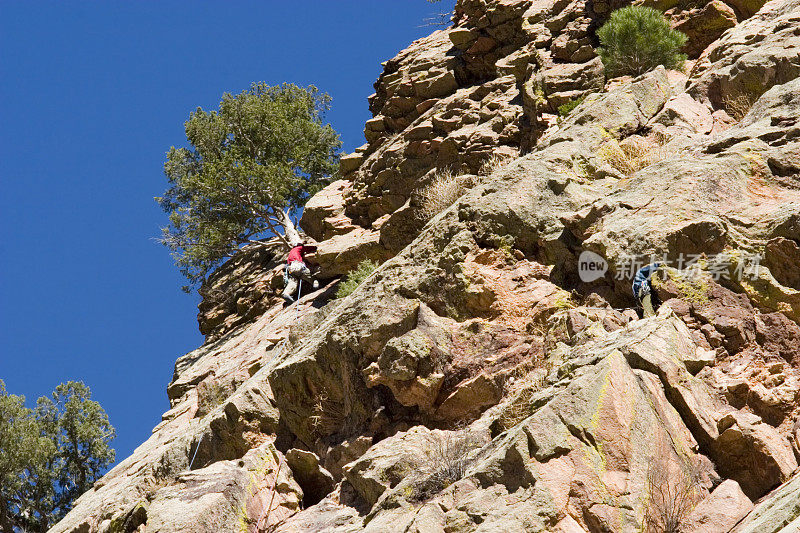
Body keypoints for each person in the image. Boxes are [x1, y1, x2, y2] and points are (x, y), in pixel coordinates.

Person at [282, 240, 319, 304]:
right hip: (297, 265)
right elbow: (308, 248)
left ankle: (286, 293)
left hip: (290, 269)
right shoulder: (298, 248)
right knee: (310, 276)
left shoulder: (290, 253)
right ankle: (315, 284)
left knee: (293, 282)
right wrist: (316, 247)